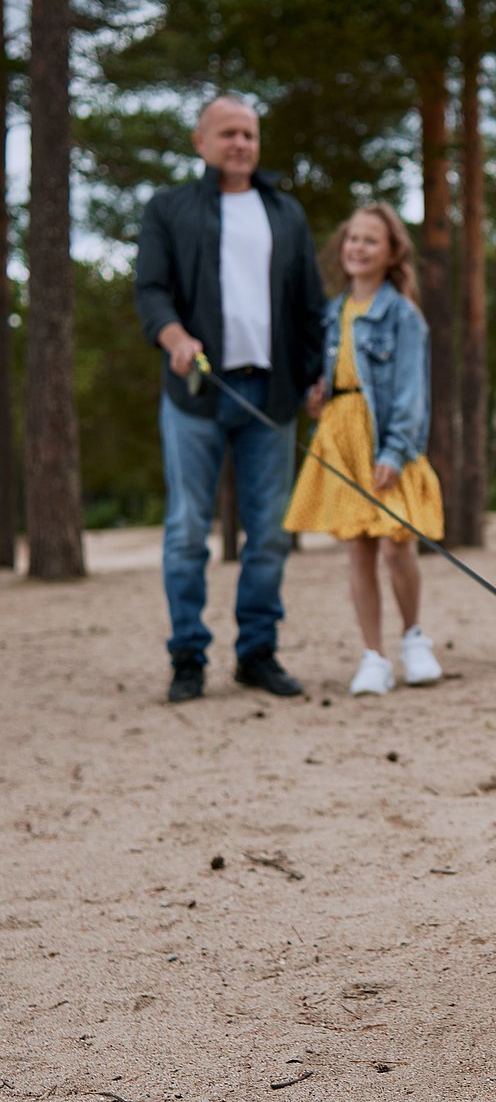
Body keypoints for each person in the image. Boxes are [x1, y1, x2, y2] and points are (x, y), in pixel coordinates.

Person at [135, 95, 325, 703]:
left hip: (269, 396)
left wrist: (316, 374)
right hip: (195, 391)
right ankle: (187, 656)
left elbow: (309, 306)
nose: (240, 143)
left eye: (249, 133)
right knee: (187, 529)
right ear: (201, 141)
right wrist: (174, 337)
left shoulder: (286, 213)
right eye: (228, 133)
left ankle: (257, 654)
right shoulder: (169, 209)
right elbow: (151, 290)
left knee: (267, 532)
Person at [283, 203, 445, 696]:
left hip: (384, 440)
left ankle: (413, 637)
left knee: (398, 544)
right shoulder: (332, 313)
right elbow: (332, 379)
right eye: (352, 238)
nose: (358, 248)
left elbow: (412, 393)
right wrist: (317, 398)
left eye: (370, 241)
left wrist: (394, 452)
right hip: (341, 436)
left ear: (392, 252)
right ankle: (373, 655)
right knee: (358, 548)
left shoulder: (402, 314)